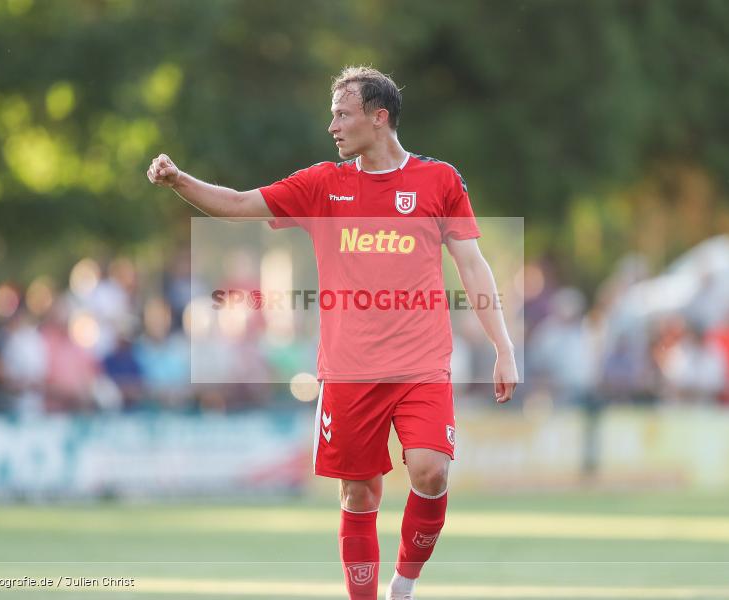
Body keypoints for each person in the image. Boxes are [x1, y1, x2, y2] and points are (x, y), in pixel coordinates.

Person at [147, 66, 518, 600]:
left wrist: (504, 347)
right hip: (348, 371)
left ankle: (404, 585)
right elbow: (237, 203)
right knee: (360, 494)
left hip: (422, 366)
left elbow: (473, 265)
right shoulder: (322, 184)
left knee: (431, 472)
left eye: (342, 115)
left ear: (379, 116)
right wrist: (180, 179)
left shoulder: (439, 180)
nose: (333, 127)